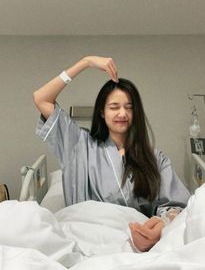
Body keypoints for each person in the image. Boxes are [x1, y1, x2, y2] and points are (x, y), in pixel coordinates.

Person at [33, 56, 190, 252]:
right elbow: (41, 98)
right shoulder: (79, 145)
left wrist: (160, 225)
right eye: (114, 107)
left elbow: (177, 207)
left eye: (129, 107)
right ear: (101, 112)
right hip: (82, 239)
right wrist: (86, 62)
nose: (122, 114)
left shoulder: (155, 159)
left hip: (134, 245)